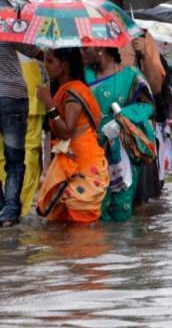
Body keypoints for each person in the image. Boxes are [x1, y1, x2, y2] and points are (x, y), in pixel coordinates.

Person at [35, 48, 110, 223]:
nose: (46, 66)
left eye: (51, 61)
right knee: (65, 228)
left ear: (65, 66)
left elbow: (66, 131)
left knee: (80, 229)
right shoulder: (67, 89)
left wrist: (48, 104)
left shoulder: (73, 91)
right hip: (72, 161)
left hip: (82, 163)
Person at [84, 47, 156, 222]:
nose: (82, 52)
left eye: (86, 48)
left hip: (123, 152)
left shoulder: (131, 75)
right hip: (90, 151)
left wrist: (121, 118)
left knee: (121, 209)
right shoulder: (82, 75)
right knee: (90, 208)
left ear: (100, 48)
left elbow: (149, 107)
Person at [0, 41, 43, 227]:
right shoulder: (8, 23)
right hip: (13, 97)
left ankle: (3, 207)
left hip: (13, 97)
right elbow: (35, 51)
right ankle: (9, 213)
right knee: (15, 160)